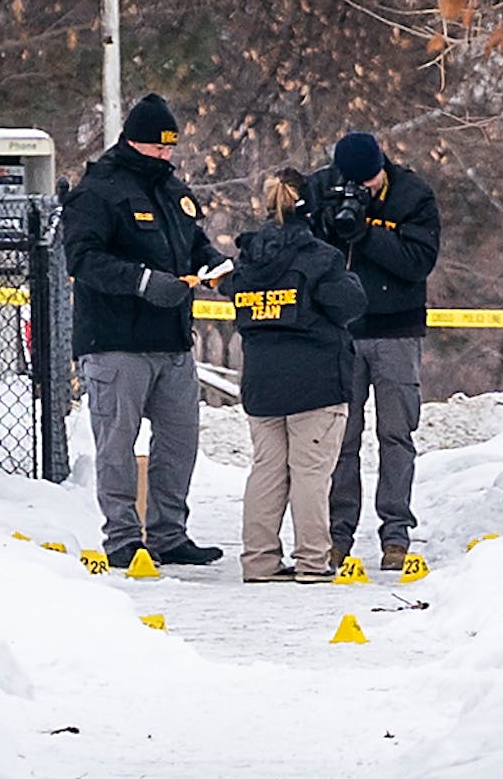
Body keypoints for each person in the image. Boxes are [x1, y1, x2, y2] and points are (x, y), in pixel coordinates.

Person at [62, 93, 228, 569]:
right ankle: (122, 538)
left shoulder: (173, 191)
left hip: (172, 341)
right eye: (159, 148)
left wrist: (213, 265)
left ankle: (168, 534)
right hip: (116, 342)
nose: (167, 156)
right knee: (117, 443)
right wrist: (141, 282)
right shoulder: (99, 191)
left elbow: (194, 243)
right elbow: (84, 259)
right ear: (135, 141)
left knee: (180, 441)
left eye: (171, 148)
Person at [305, 132, 440, 571]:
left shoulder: (414, 194)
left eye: (371, 182)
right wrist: (330, 224)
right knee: (341, 439)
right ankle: (337, 534)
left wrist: (364, 232)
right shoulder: (322, 188)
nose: (362, 190)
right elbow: (306, 251)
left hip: (396, 330)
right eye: (355, 184)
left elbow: (418, 261)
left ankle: (395, 532)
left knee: (396, 435)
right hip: (340, 332)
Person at [225, 169, 367, 584]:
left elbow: (231, 292)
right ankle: (312, 561)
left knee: (267, 472)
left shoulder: (248, 260)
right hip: (316, 383)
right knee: (310, 474)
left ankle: (259, 561)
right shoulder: (319, 258)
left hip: (261, 383)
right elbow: (349, 304)